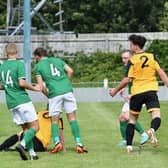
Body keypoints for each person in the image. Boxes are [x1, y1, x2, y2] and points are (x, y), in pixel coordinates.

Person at [109, 34, 168, 153]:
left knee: (132, 120)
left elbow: (126, 80)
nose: (130, 46)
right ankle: (152, 129)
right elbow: (161, 73)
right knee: (156, 115)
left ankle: (129, 147)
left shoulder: (132, 60)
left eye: (131, 44)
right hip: (150, 90)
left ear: (135, 46)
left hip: (137, 93)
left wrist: (114, 90)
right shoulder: (152, 57)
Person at [33, 47, 88, 154]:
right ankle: (79, 143)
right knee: (72, 119)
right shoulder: (58, 60)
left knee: (54, 120)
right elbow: (71, 71)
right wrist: (67, 83)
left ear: (37, 57)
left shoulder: (38, 66)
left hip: (54, 93)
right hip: (67, 91)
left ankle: (57, 143)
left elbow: (41, 87)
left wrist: (48, 95)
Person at [0, 43, 40, 160]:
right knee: (36, 127)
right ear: (16, 52)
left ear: (6, 53)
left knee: (26, 129)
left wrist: (7, 87)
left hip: (11, 103)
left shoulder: (2, 67)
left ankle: (32, 154)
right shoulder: (19, 64)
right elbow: (22, 83)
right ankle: (21, 145)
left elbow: (2, 85)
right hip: (22, 100)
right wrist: (35, 88)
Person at [117, 50, 148, 146]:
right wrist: (123, 88)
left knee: (127, 117)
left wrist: (133, 94)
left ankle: (144, 134)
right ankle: (125, 140)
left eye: (125, 58)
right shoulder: (128, 67)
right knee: (122, 118)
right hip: (133, 96)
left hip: (140, 95)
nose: (123, 60)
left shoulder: (136, 67)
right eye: (122, 58)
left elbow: (142, 82)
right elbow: (129, 80)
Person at [0, 109, 65, 152]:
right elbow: (60, 137)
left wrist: (22, 132)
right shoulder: (59, 119)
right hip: (40, 146)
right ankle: (17, 149)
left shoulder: (39, 113)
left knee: (18, 135)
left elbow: (29, 124)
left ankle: (2, 147)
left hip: (29, 136)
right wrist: (63, 149)